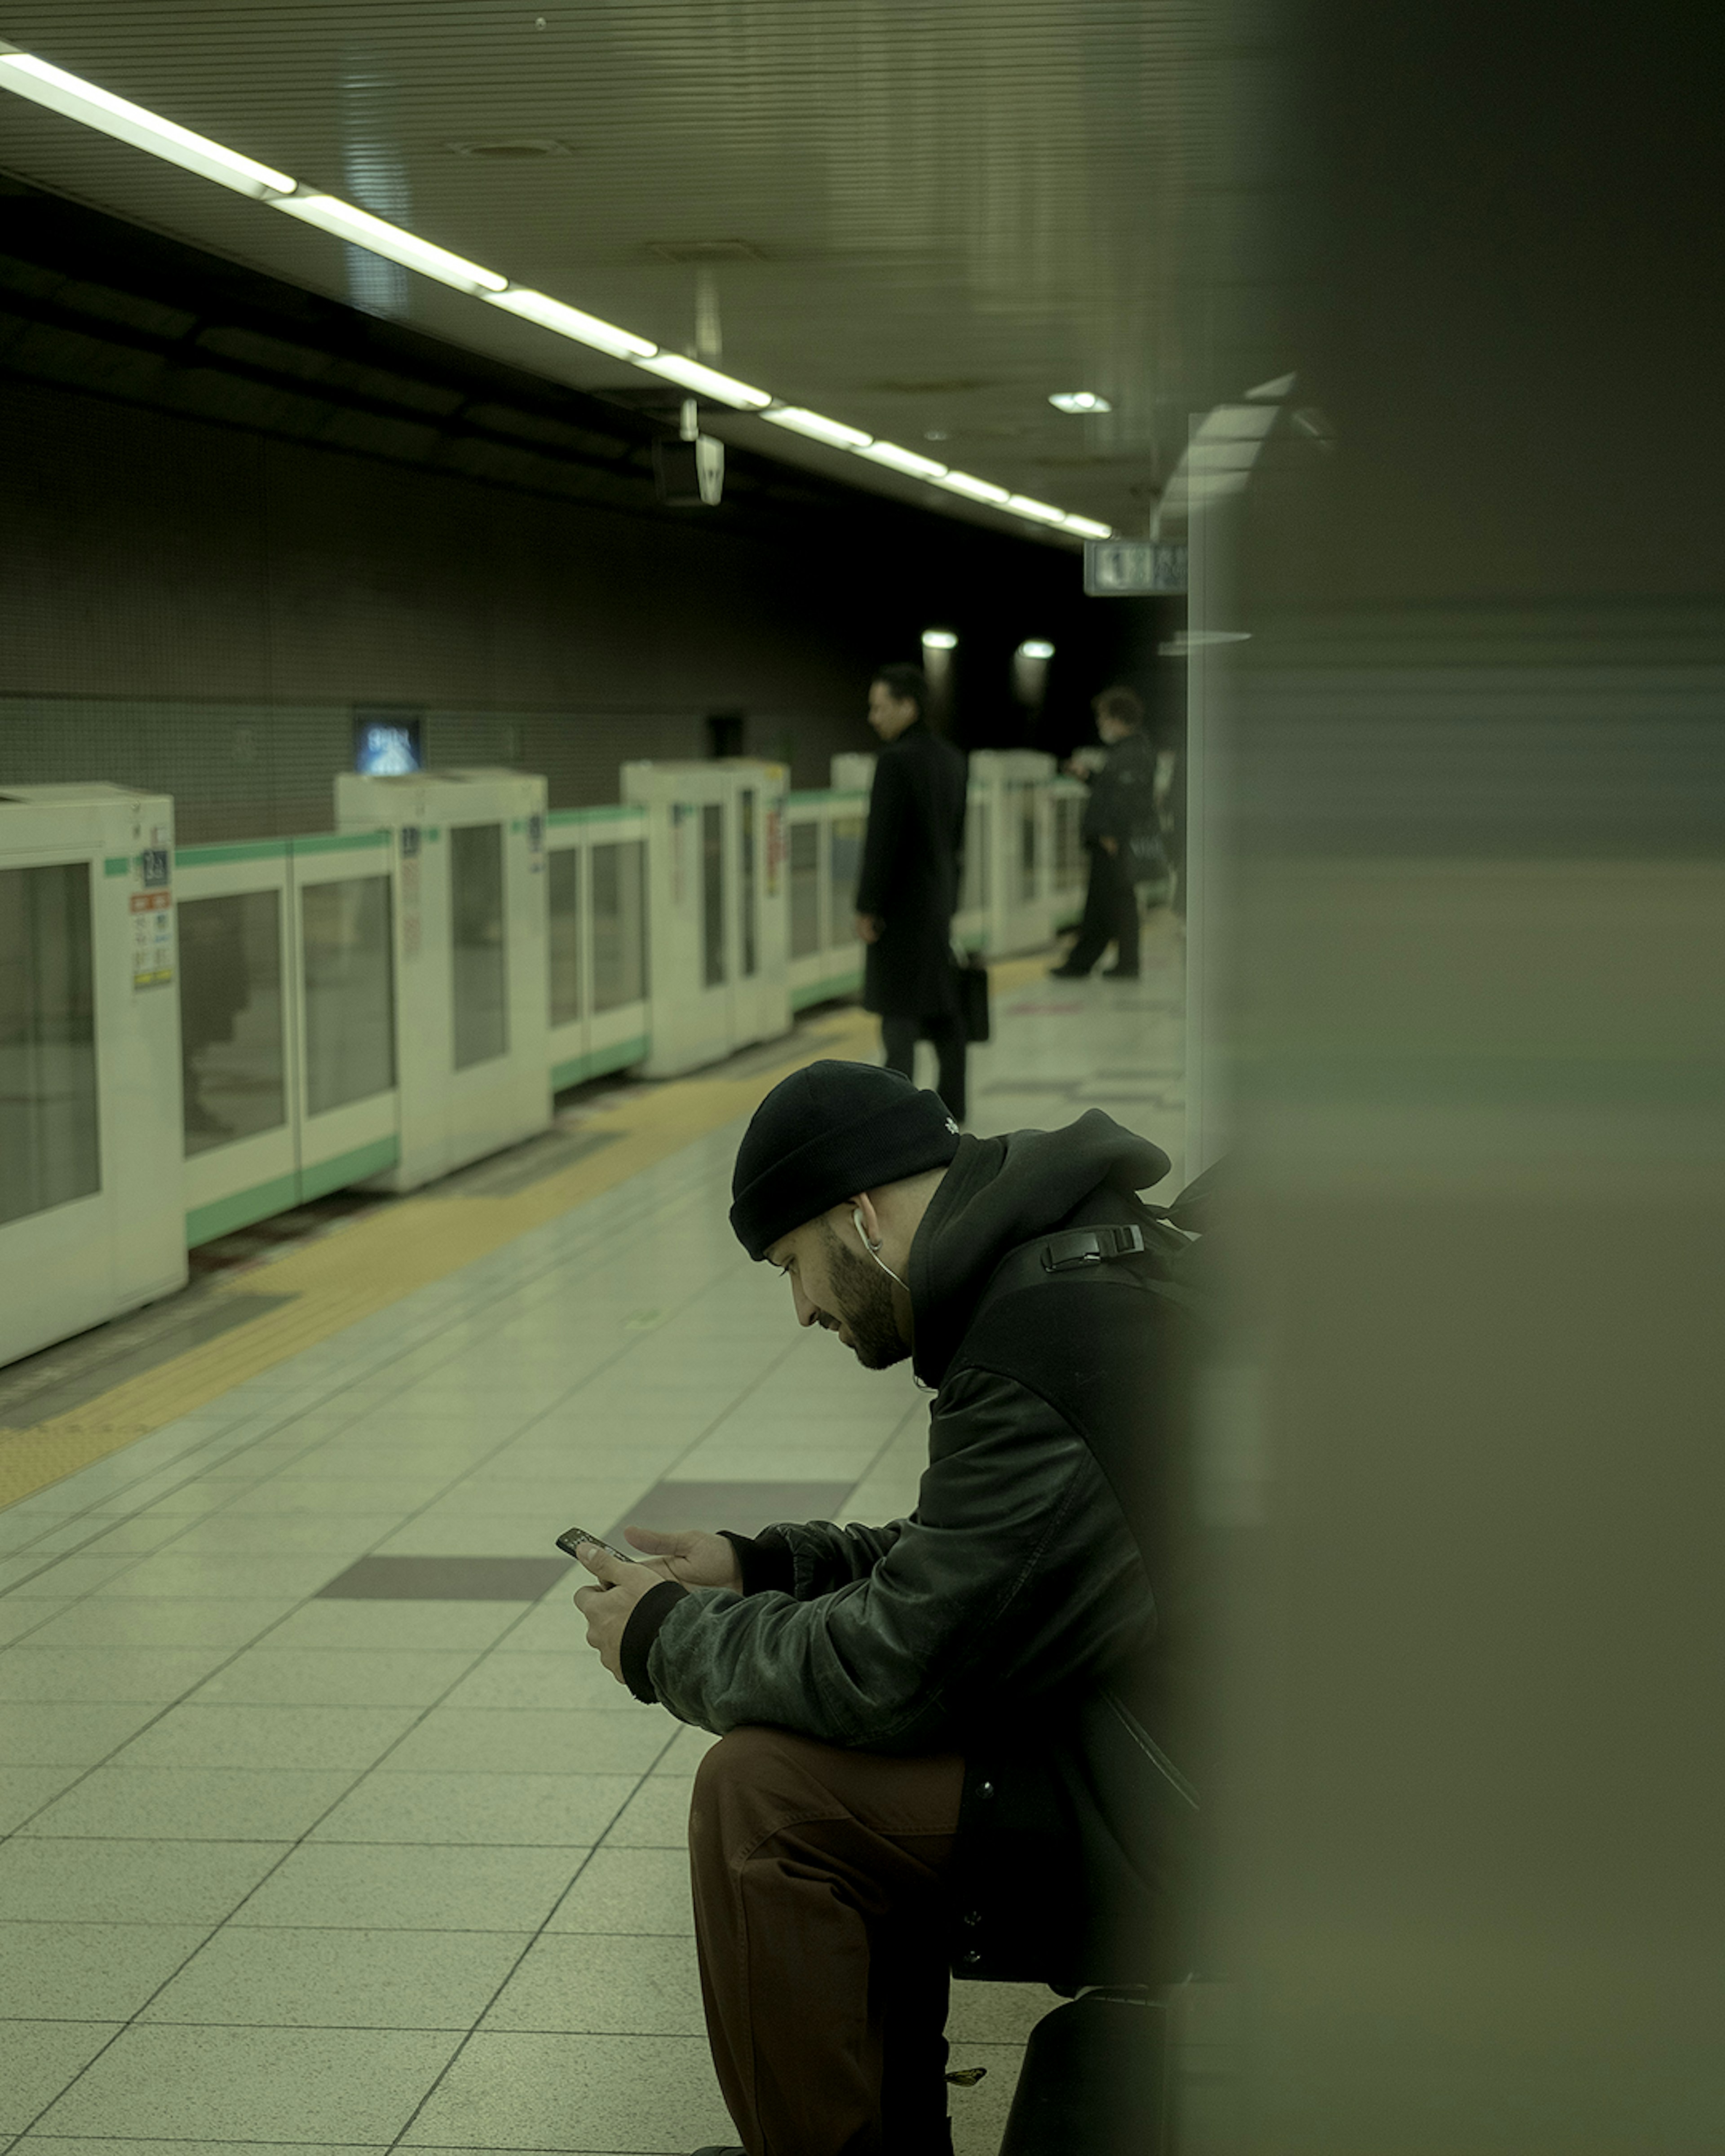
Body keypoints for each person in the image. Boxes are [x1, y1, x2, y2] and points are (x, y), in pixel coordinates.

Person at [570, 1060, 1200, 2156]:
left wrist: (665, 1636)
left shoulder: (1044, 1333)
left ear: (860, 1216)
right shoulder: (1067, 1262)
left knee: (764, 1794)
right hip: (1175, 1723)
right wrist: (766, 1566)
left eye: (794, 1264)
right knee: (809, 1768)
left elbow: (897, 1665)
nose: (803, 1305)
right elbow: (998, 1560)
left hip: (1188, 1796)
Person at [853, 663, 969, 1120]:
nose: (873, 717)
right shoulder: (952, 758)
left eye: (880, 707)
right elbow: (958, 839)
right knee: (941, 1004)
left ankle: (894, 1106)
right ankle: (954, 1100)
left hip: (900, 907)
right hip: (938, 901)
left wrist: (867, 906)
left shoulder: (895, 761)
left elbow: (882, 841)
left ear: (908, 706)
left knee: (898, 1008)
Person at [1052, 684, 1160, 981]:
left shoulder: (1132, 753)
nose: (1100, 724)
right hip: (1111, 839)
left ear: (1117, 718)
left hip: (1113, 841)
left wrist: (1111, 834)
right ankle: (1103, 962)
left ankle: (1098, 963)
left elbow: (1127, 799)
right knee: (1112, 903)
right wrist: (1088, 776)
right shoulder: (1130, 751)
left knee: (1112, 903)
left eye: (1103, 717)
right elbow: (1113, 791)